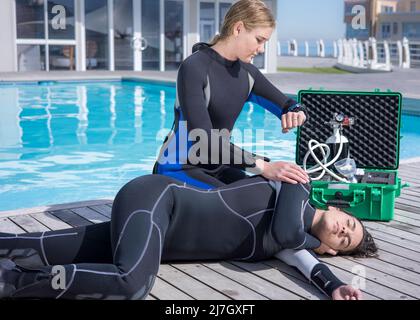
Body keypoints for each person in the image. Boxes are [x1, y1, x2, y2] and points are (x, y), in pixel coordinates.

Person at [0, 174, 377, 300]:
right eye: (350, 224)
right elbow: (286, 232)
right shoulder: (295, 184)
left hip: (152, 232)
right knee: (131, 284)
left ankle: (11, 261)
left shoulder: (293, 243)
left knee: (33, 248)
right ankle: (13, 282)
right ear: (339, 209)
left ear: (330, 249)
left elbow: (301, 259)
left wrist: (334, 286)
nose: (345, 230)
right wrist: (313, 247)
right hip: (156, 199)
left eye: (345, 241)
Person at [153, 0, 310, 189]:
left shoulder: (248, 74)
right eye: (259, 40)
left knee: (272, 189)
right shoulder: (194, 68)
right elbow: (202, 140)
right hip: (179, 167)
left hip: (219, 166)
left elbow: (288, 104)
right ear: (238, 29)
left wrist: (296, 111)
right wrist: (263, 166)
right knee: (237, 203)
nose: (261, 49)